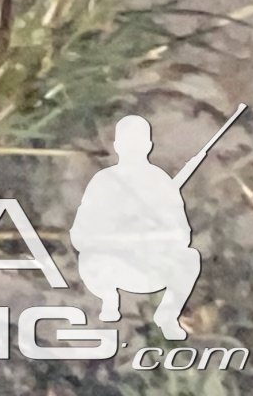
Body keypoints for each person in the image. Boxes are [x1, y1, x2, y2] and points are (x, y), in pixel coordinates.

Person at [69, 115, 202, 338]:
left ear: (149, 145)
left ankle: (168, 316)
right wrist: (116, 235)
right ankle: (109, 302)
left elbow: (182, 235)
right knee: (91, 260)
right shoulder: (103, 181)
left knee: (189, 259)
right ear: (117, 146)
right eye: (127, 142)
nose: (133, 148)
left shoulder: (161, 182)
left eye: (139, 142)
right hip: (112, 265)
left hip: (150, 265)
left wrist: (157, 233)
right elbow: (80, 235)